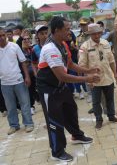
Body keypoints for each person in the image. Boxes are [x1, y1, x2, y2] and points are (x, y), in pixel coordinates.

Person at [36, 17, 99, 162]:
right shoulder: (49, 49)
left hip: (59, 86)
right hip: (48, 89)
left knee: (71, 109)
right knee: (54, 121)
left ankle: (76, 135)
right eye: (67, 29)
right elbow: (63, 76)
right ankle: (57, 152)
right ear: (57, 30)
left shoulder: (62, 44)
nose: (69, 31)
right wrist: (87, 79)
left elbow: (70, 64)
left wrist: (88, 70)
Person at [79, 24, 117, 129]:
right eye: (94, 34)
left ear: (101, 33)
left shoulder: (105, 43)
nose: (96, 36)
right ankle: (99, 120)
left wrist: (115, 73)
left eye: (98, 33)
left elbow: (111, 60)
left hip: (108, 77)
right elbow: (82, 65)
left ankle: (111, 116)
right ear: (90, 34)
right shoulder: (85, 46)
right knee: (96, 102)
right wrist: (88, 79)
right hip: (94, 79)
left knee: (110, 99)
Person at [0, 27, 34, 135]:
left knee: (25, 103)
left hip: (18, 80)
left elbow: (23, 62)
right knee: (10, 106)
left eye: (2, 35)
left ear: (5, 35)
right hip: (4, 83)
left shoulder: (14, 46)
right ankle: (14, 125)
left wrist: (27, 77)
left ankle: (28, 124)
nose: (1, 38)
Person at [66, 29, 87, 99]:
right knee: (74, 76)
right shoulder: (63, 44)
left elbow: (80, 51)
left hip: (78, 61)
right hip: (70, 63)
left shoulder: (76, 41)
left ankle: (86, 90)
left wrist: (74, 47)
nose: (69, 36)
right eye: (68, 35)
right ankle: (79, 91)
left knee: (82, 75)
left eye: (70, 35)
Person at [21, 34, 38, 115]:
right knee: (30, 91)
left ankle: (38, 99)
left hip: (35, 73)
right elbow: (25, 62)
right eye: (25, 39)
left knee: (35, 89)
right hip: (27, 74)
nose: (27, 40)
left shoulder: (32, 49)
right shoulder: (21, 51)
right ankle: (31, 106)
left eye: (28, 39)